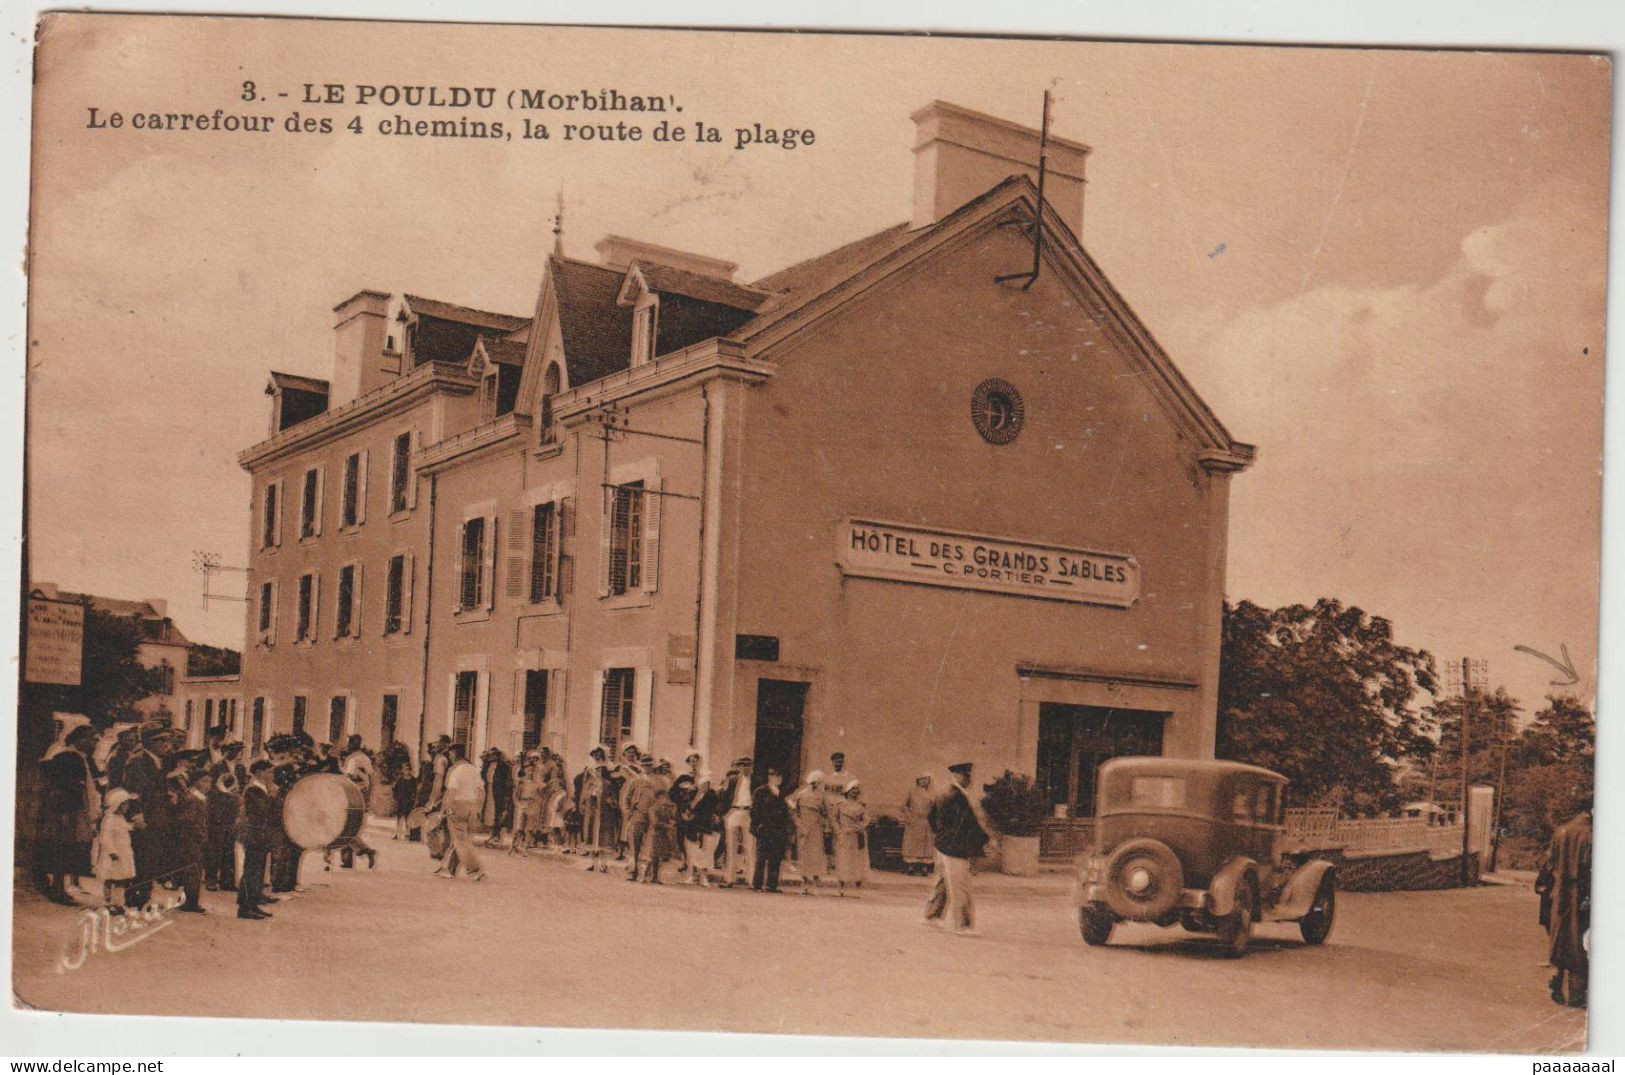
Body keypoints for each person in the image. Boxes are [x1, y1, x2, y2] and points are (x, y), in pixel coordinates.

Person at [925, 761, 991, 936]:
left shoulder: (943, 794)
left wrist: (940, 836)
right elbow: (969, 826)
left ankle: (931, 916)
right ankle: (963, 925)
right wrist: (985, 840)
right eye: (966, 775)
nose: (969, 779)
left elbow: (931, 817)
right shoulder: (958, 798)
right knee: (961, 886)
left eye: (969, 775)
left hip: (944, 845)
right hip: (956, 848)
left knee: (944, 882)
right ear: (956, 776)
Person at [37, 725, 100, 904]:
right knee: (62, 849)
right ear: (78, 739)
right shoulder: (68, 756)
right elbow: (62, 787)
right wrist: (65, 814)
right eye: (91, 738)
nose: (94, 742)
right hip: (67, 812)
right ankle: (58, 890)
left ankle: (60, 889)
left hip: (73, 810)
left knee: (67, 850)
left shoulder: (79, 757)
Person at [117, 723, 175, 909]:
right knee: (141, 859)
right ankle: (135, 900)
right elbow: (134, 791)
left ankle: (144, 898)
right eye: (162, 741)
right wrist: (136, 815)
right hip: (144, 818)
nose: (166, 745)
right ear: (151, 742)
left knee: (150, 859)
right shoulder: (139, 761)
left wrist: (167, 796)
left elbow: (155, 788)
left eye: (166, 740)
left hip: (156, 817)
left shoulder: (157, 760)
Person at [1544, 801, 1592, 1007]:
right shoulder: (1590, 836)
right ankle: (1577, 995)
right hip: (1581, 893)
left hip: (1559, 891)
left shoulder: (1561, 832)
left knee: (1559, 936)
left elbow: (1548, 863)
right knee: (1579, 941)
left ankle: (1556, 975)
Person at [436, 743, 487, 882]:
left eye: (451, 754)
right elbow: (482, 791)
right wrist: (479, 809)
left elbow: (451, 791)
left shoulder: (456, 771)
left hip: (457, 805)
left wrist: (443, 809)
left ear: (454, 754)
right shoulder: (473, 769)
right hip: (472, 806)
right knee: (461, 839)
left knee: (460, 841)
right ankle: (450, 870)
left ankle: (475, 869)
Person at [237, 760, 278, 920]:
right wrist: (273, 799)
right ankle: (245, 907)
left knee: (257, 871)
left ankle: (253, 904)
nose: (271, 776)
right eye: (269, 772)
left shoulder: (261, 789)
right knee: (251, 871)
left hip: (259, 835)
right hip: (254, 835)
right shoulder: (254, 789)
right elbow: (262, 810)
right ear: (259, 772)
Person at [93, 789, 141, 915]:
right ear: (118, 805)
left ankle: (118, 903)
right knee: (109, 880)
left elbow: (124, 829)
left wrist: (133, 826)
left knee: (121, 880)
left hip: (123, 854)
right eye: (125, 805)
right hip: (113, 856)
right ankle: (107, 902)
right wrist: (112, 851)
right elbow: (105, 837)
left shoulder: (120, 818)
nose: (127, 808)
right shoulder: (109, 819)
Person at [750, 766, 794, 893]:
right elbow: (754, 810)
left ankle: (772, 885)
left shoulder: (783, 793)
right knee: (761, 857)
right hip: (764, 828)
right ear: (770, 777)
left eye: (780, 776)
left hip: (778, 829)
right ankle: (757, 884)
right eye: (775, 776)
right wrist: (758, 825)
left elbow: (786, 812)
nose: (778, 779)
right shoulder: (761, 791)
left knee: (775, 857)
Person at [172, 770, 211, 913]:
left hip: (196, 838)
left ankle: (191, 900)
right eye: (204, 781)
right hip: (192, 839)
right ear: (196, 782)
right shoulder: (193, 799)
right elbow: (189, 820)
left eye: (209, 782)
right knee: (193, 870)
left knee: (194, 870)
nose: (208, 785)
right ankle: (191, 902)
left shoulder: (198, 797)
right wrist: (201, 835)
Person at [790, 770, 828, 894]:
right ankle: (805, 881)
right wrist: (799, 824)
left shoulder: (822, 795)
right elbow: (794, 811)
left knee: (816, 853)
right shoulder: (800, 794)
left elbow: (825, 812)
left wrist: (824, 825)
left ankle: (816, 882)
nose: (816, 784)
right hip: (804, 826)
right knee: (804, 853)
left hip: (816, 827)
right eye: (816, 781)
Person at [720, 756, 756, 887]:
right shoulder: (732, 780)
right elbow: (724, 797)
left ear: (751, 767)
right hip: (734, 811)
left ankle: (752, 880)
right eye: (742, 765)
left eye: (748, 765)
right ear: (739, 767)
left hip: (748, 813)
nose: (745, 768)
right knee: (731, 846)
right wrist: (724, 814)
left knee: (750, 847)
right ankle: (729, 879)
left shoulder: (756, 781)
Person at [621, 755, 657, 880]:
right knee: (634, 845)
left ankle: (649, 874)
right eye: (644, 765)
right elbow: (627, 797)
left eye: (649, 765)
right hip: (638, 815)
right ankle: (633, 871)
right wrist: (627, 811)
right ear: (641, 766)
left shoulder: (658, 781)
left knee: (651, 845)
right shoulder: (636, 780)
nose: (647, 767)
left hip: (653, 817)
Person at [831, 780, 869, 896]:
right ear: (847, 791)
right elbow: (834, 819)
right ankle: (841, 887)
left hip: (856, 835)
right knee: (844, 859)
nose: (855, 792)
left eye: (856, 789)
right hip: (844, 835)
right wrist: (839, 831)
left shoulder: (861, 806)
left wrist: (860, 827)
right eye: (853, 789)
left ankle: (858, 888)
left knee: (858, 861)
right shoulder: (840, 805)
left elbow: (866, 819)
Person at [900, 773, 935, 875]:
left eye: (926, 779)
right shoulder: (912, 792)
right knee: (912, 843)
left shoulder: (931, 793)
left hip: (926, 821)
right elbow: (903, 806)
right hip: (914, 821)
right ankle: (911, 867)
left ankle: (924, 868)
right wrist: (909, 816)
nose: (924, 781)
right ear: (918, 780)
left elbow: (934, 807)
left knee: (926, 844)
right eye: (922, 779)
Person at [647, 782, 681, 884]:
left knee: (659, 856)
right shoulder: (653, 809)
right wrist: (668, 826)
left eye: (666, 798)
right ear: (658, 799)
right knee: (654, 856)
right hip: (655, 834)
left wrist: (672, 819)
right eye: (663, 798)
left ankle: (652, 876)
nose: (665, 800)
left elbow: (672, 818)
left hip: (663, 834)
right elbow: (655, 822)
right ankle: (651, 876)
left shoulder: (666, 809)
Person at [480, 747, 514, 848]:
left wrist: (506, 794)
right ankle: (492, 834)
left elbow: (507, 781)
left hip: (500, 792)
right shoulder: (488, 765)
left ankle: (499, 836)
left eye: (493, 755)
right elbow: (484, 777)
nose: (491, 757)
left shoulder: (504, 766)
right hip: (489, 790)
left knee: (499, 813)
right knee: (490, 813)